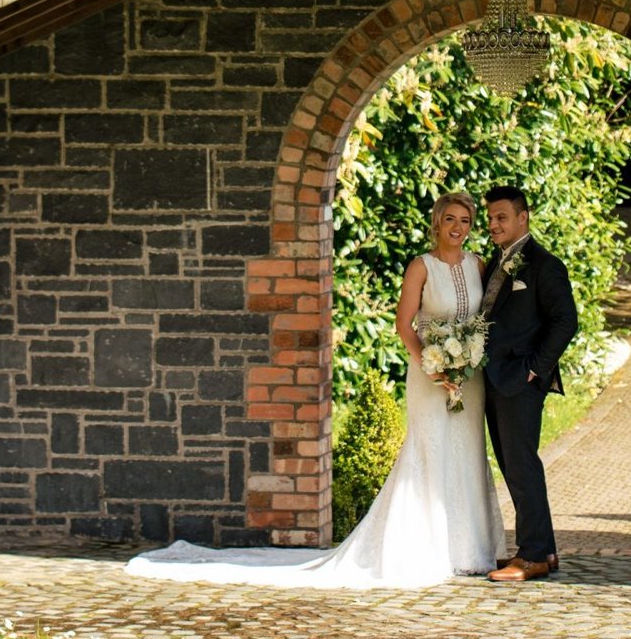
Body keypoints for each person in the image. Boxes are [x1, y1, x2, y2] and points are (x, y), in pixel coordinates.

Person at [125, 191, 504, 588]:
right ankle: (425, 549)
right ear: (437, 222)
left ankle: (467, 550)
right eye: (450, 220)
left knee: (468, 451)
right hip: (428, 374)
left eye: (465, 221)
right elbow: (404, 324)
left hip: (468, 378)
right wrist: (432, 365)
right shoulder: (420, 266)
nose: (457, 228)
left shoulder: (478, 265)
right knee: (431, 450)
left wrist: (465, 362)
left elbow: (482, 320)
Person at [479, 184, 579, 583]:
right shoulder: (498, 261)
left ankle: (533, 555)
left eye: (501, 217)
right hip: (496, 379)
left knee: (522, 466)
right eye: (490, 218)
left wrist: (534, 370)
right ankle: (545, 549)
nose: (493, 225)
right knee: (515, 466)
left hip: (520, 380)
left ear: (523, 217)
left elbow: (565, 321)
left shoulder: (543, 264)